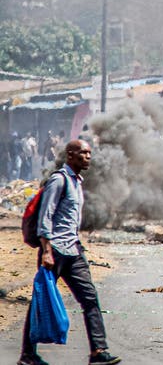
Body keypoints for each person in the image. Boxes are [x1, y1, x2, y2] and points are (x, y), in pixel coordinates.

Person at [18, 140, 121, 365]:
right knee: (40, 301)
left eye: (89, 153)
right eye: (83, 153)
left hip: (73, 251)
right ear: (71, 156)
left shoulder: (77, 182)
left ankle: (98, 351)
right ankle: (27, 355)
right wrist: (46, 251)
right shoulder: (59, 180)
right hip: (53, 251)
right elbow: (46, 216)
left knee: (90, 299)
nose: (88, 157)